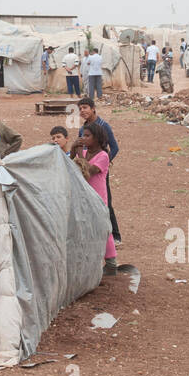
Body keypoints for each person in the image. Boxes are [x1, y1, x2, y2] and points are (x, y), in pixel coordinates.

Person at [71, 120, 118, 276]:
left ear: (97, 138)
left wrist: (78, 153)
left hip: (97, 199)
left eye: (87, 136)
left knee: (104, 230)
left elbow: (87, 171)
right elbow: (71, 165)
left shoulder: (103, 156)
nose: (83, 138)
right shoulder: (85, 153)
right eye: (82, 135)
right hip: (85, 198)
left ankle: (111, 263)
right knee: (87, 229)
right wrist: (73, 150)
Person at [77, 97, 121, 243]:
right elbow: (81, 149)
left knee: (105, 200)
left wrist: (104, 162)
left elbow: (114, 147)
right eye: (80, 109)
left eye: (85, 108)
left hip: (99, 170)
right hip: (86, 170)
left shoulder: (104, 126)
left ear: (93, 108)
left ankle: (115, 236)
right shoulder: (82, 129)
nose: (82, 111)